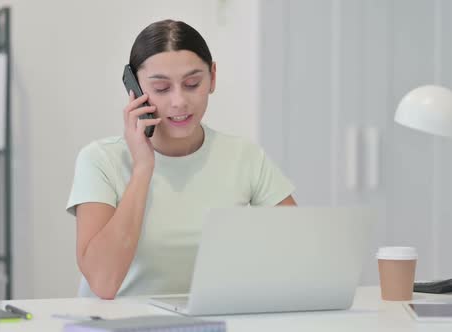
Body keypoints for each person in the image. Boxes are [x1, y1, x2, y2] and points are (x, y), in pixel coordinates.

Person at [66, 19, 296, 299]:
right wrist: (142, 168)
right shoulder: (100, 160)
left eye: (192, 83)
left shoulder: (244, 156)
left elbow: (299, 255)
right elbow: (103, 282)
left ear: (212, 77)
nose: (179, 101)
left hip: (207, 322)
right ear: (134, 89)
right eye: (161, 89)